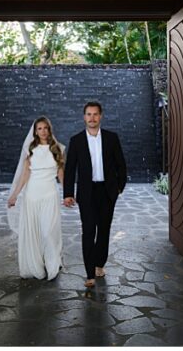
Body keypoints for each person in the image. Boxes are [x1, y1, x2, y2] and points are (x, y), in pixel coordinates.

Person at [63, 101, 127, 288]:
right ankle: (90, 273)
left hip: (107, 191)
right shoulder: (76, 140)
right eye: (88, 114)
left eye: (95, 114)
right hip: (86, 193)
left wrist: (119, 188)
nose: (92, 118)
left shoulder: (111, 138)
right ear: (84, 117)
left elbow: (121, 165)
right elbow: (70, 169)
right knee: (89, 230)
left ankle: (100, 263)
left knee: (104, 230)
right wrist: (68, 193)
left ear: (101, 116)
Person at [7, 116, 66, 280]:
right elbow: (25, 175)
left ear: (50, 129)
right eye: (39, 128)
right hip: (32, 195)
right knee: (34, 233)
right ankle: (36, 265)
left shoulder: (58, 149)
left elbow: (61, 174)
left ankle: (53, 262)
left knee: (48, 232)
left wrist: (68, 193)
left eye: (45, 128)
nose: (43, 131)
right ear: (35, 131)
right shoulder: (30, 150)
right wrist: (14, 195)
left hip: (50, 195)